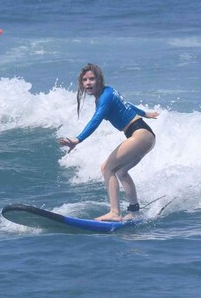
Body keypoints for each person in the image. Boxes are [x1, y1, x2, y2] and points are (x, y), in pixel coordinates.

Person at [57, 63, 158, 222]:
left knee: (107, 167)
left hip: (140, 134)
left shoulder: (105, 96)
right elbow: (127, 104)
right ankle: (134, 210)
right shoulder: (110, 92)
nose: (88, 83)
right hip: (145, 135)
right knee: (121, 171)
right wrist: (145, 113)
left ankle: (115, 212)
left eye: (92, 79)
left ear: (99, 80)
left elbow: (96, 120)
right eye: (85, 80)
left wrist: (78, 139)